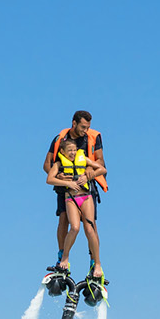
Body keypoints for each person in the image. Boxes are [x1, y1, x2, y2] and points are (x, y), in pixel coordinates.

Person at [43, 110, 106, 280]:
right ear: (74, 123)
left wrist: (89, 169)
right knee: (65, 220)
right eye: (83, 127)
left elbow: (100, 161)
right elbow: (47, 165)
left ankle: (94, 262)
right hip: (65, 188)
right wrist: (59, 176)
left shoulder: (93, 138)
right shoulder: (60, 139)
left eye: (88, 127)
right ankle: (62, 259)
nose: (85, 130)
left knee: (90, 225)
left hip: (86, 186)